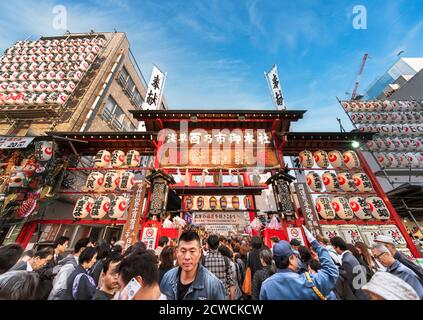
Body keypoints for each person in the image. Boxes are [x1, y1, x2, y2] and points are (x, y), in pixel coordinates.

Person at [260, 226, 339, 300]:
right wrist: (317, 245)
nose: (297, 259)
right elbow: (331, 272)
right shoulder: (307, 281)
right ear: (290, 259)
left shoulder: (266, 286)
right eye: (295, 257)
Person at [160, 231, 226, 300]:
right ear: (177, 253)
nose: (187, 257)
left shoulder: (213, 285)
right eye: (183, 251)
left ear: (200, 252)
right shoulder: (167, 278)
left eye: (192, 251)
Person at [202, 235, 235, 299]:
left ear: (208, 245)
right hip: (223, 295)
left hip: (208, 295)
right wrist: (232, 298)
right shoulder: (226, 260)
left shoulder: (203, 260)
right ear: (219, 244)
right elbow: (231, 282)